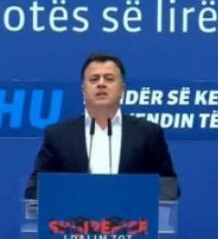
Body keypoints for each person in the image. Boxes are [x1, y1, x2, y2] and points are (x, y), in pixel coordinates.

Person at [25, 53, 179, 199]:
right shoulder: (59, 136)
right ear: (83, 90)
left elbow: (169, 188)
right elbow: (34, 190)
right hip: (75, 218)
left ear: (122, 89)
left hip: (132, 218)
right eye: (94, 79)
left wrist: (133, 201)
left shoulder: (148, 133)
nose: (101, 84)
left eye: (109, 79)